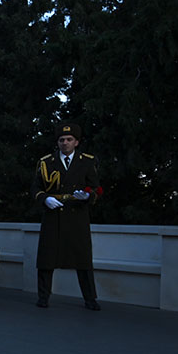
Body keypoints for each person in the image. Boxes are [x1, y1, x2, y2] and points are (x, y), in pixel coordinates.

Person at [33, 122, 101, 310]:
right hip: (53, 214)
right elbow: (36, 188)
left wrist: (88, 196)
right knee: (47, 258)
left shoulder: (87, 161)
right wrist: (45, 199)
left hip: (76, 215)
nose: (65, 143)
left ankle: (90, 298)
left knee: (83, 259)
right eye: (61, 140)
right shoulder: (46, 162)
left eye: (69, 139)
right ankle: (43, 296)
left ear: (76, 142)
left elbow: (96, 187)